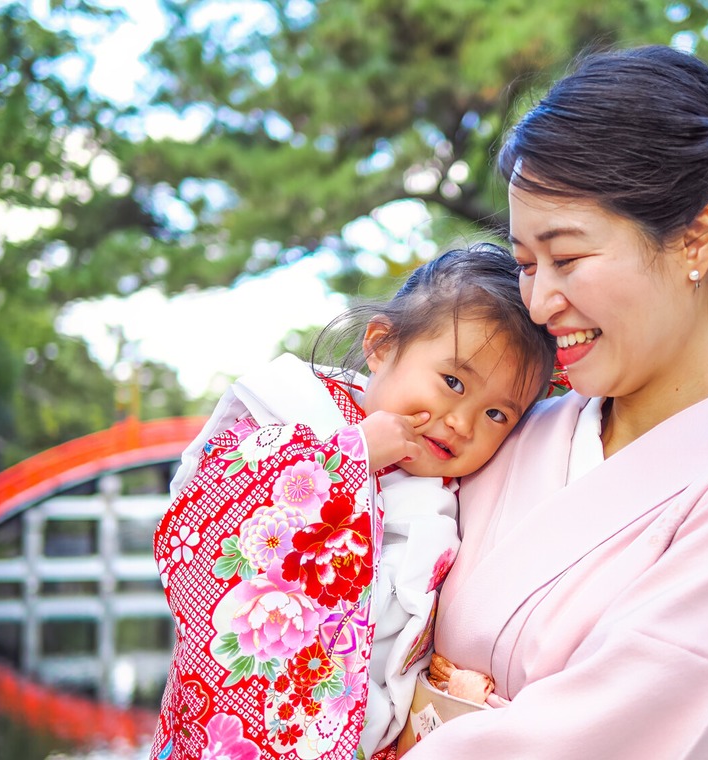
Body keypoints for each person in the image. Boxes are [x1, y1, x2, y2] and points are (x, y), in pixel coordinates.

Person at [399, 45, 708, 759]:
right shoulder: (504, 434)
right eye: (523, 264)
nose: (539, 303)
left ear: (695, 239)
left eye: (568, 259)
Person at [148, 242, 557, 760]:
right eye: (452, 382)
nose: (462, 422)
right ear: (382, 345)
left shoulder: (460, 494)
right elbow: (202, 530)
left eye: (497, 414)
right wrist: (350, 456)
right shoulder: (295, 413)